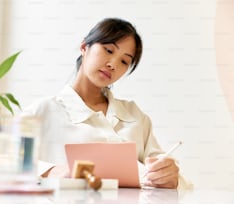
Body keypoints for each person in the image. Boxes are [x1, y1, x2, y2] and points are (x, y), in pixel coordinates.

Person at [24, 18, 192, 189]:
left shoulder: (135, 116)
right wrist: (53, 171)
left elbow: (178, 181)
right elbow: (3, 158)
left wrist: (171, 178)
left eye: (124, 61)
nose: (113, 64)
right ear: (84, 47)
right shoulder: (44, 111)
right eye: (108, 50)